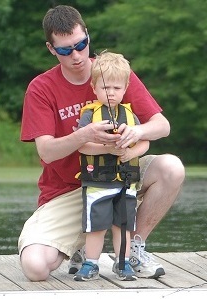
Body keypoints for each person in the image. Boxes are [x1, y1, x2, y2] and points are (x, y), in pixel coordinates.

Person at [19, 5, 185, 282]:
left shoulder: (112, 72)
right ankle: (81, 248)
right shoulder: (41, 88)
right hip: (68, 190)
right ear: (51, 49)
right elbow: (46, 151)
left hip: (120, 176)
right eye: (65, 50)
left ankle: (132, 251)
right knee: (35, 268)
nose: (76, 55)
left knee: (172, 167)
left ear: (87, 36)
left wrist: (137, 133)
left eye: (81, 44)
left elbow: (162, 126)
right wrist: (85, 135)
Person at [73, 51, 149, 281]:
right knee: (96, 226)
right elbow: (82, 146)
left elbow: (144, 142)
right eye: (106, 88)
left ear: (125, 87)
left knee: (123, 226)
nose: (111, 93)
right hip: (97, 183)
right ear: (94, 87)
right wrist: (106, 148)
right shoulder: (89, 116)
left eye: (116, 88)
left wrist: (130, 152)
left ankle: (122, 263)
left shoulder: (130, 116)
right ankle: (91, 263)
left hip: (126, 182)